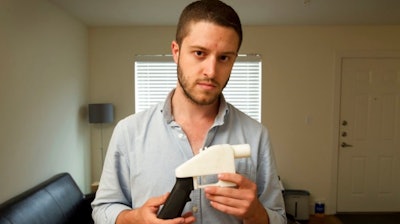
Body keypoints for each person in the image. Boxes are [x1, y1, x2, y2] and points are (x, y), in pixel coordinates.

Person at [91, 0, 286, 223]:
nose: (211, 72)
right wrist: (134, 219)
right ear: (176, 52)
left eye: (224, 58)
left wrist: (257, 214)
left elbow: (279, 217)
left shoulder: (256, 136)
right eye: (199, 53)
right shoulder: (128, 132)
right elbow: (102, 208)